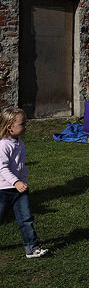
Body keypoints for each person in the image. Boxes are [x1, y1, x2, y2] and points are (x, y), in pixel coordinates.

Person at [0, 108, 48, 258]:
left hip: (20, 190)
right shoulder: (3, 145)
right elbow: (2, 168)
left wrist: (23, 181)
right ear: (10, 127)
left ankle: (32, 248)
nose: (25, 126)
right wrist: (16, 182)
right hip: (4, 190)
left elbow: (20, 165)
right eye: (22, 124)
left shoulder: (19, 143)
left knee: (26, 219)